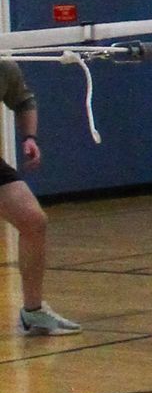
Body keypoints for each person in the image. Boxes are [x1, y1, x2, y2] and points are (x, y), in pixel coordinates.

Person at [0, 59, 80, 336]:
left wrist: (29, 137)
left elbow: (23, 101)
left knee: (33, 221)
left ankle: (33, 312)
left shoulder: (4, 67)